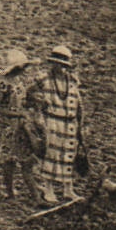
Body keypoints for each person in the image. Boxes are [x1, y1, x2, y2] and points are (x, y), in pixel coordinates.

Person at [26, 44, 86, 204]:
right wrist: (39, 103)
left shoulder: (72, 80)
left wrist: (80, 123)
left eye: (63, 65)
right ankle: (49, 190)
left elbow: (78, 103)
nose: (59, 67)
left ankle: (68, 189)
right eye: (57, 64)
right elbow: (29, 93)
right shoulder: (44, 78)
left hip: (70, 122)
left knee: (69, 154)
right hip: (52, 121)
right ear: (52, 63)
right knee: (51, 155)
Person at [0, 49, 39, 201]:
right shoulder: (4, 84)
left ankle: (31, 194)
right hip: (8, 126)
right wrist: (17, 114)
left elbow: (22, 101)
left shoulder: (18, 82)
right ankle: (10, 193)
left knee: (25, 159)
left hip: (20, 125)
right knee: (9, 161)